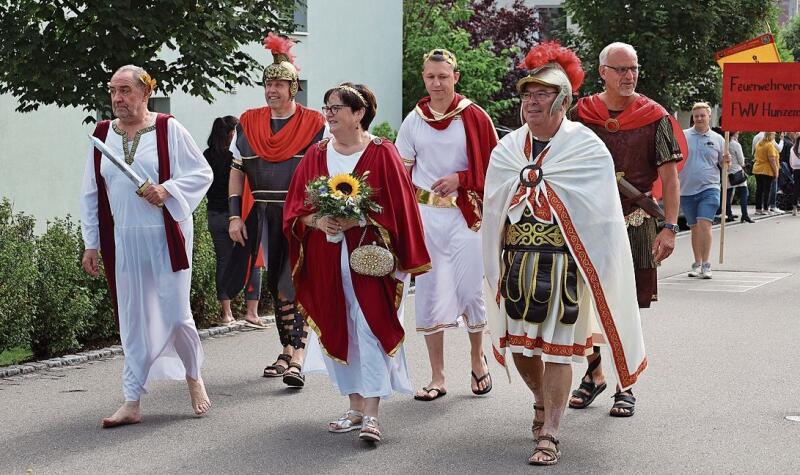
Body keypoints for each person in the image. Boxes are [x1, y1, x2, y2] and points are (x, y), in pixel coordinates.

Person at [483, 42, 646, 466]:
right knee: (520, 348)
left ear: (561, 103)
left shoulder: (586, 148)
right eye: (526, 95)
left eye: (540, 95)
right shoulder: (506, 150)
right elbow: (495, 205)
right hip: (516, 263)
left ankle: (551, 430)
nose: (531, 102)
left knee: (556, 349)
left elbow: (600, 216)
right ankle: (541, 400)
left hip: (565, 266)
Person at [284, 83, 431, 443]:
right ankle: (353, 407)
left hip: (370, 259)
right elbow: (294, 208)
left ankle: (372, 414)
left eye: (335, 108)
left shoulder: (383, 153)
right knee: (341, 325)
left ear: (358, 113)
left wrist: (359, 220)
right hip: (326, 257)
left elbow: (401, 208)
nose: (328, 114)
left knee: (369, 327)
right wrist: (318, 221)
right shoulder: (317, 154)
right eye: (327, 107)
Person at [80, 65, 213, 427]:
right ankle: (132, 400)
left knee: (175, 314)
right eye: (113, 91)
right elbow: (92, 192)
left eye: (125, 90)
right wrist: (92, 243)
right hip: (125, 239)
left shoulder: (169, 128)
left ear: (145, 92)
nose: (118, 98)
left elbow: (202, 173)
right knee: (133, 318)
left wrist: (166, 189)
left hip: (164, 237)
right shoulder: (103, 133)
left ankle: (193, 375)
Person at [567, 42, 683, 417]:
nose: (628, 76)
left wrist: (668, 227)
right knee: (585, 305)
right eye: (620, 69)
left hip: (636, 222)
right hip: (588, 221)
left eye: (633, 68)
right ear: (602, 72)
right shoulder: (581, 113)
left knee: (625, 307)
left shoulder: (655, 116)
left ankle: (625, 384)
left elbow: (670, 176)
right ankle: (594, 375)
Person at [394, 48, 498, 401]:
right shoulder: (414, 121)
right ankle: (437, 375)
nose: (437, 83)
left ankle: (476, 358)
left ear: (456, 77)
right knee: (429, 292)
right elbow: (400, 174)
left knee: (470, 289)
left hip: (466, 216)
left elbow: (494, 170)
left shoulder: (474, 116)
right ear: (423, 78)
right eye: (430, 76)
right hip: (426, 219)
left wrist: (461, 178)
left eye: (443, 76)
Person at [224, 33, 326, 385]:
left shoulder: (314, 123)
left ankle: (298, 354)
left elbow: (326, 170)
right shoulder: (249, 122)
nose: (272, 90)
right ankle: (286, 349)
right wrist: (235, 215)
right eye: (268, 83)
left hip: (301, 215)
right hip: (263, 213)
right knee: (275, 286)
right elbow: (237, 173)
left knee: (293, 282)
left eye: (280, 84)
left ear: (293, 88)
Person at [203, 116, 265, 327]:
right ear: (232, 134)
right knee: (252, 260)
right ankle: (251, 312)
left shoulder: (206, 155)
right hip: (239, 215)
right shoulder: (238, 158)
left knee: (223, 261)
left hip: (214, 214)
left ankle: (227, 313)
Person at [679, 102, 729, 279]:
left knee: (704, 224)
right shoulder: (683, 136)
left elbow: (724, 165)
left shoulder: (719, 139)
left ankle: (706, 264)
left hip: (710, 188)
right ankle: (697, 263)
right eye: (696, 115)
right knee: (694, 228)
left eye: (703, 115)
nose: (699, 118)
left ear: (709, 116)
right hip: (686, 189)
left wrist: (726, 161)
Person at [725, 132, 753, 223]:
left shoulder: (724, 143)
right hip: (737, 172)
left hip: (727, 172)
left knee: (728, 195)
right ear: (735, 134)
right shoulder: (736, 145)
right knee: (744, 193)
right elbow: (741, 161)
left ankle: (728, 214)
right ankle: (744, 215)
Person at [753, 132, 780, 216]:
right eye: (774, 135)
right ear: (771, 135)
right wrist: (776, 172)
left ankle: (758, 209)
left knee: (759, 190)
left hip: (757, 169)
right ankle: (765, 209)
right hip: (767, 170)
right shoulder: (770, 145)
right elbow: (772, 160)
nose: (774, 136)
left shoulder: (759, 144)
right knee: (767, 190)